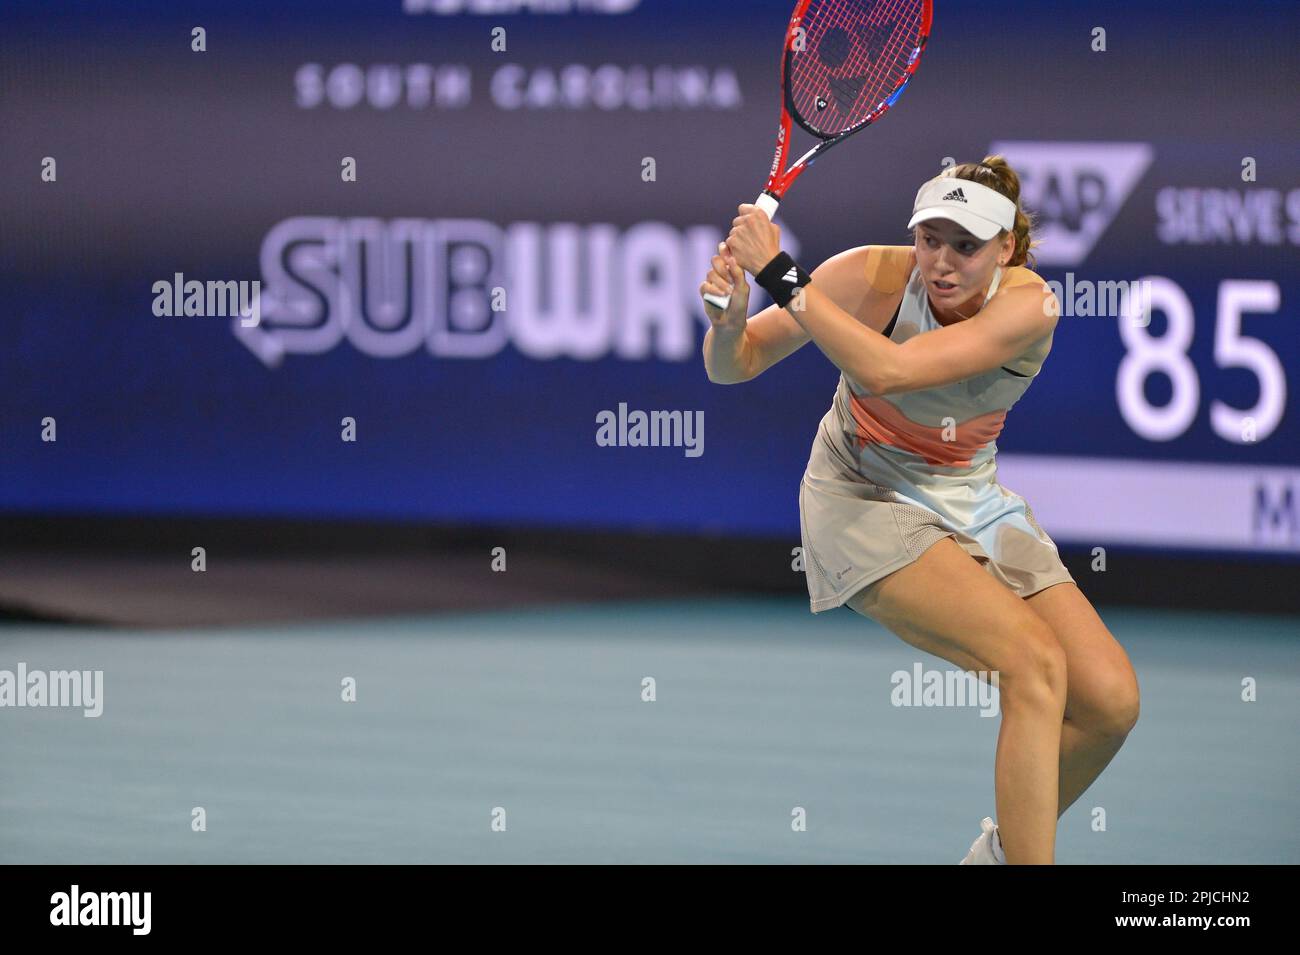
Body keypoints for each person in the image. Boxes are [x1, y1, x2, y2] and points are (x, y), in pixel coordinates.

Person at [700, 156, 1140, 865]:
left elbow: (891, 370)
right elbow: (736, 363)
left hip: (970, 494)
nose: (941, 261)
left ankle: (996, 856)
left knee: (1111, 699)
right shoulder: (867, 275)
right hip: (859, 493)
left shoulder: (1031, 306)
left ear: (1008, 250)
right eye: (931, 238)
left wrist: (781, 273)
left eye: (965, 245)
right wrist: (729, 319)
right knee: (1032, 664)